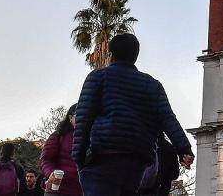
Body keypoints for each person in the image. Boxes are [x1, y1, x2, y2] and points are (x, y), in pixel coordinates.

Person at [72, 33, 194, 196]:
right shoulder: (153, 85)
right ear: (135, 56)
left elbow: (83, 118)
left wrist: (79, 158)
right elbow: (168, 118)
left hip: (103, 155)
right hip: (137, 160)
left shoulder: (99, 77)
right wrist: (184, 148)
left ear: (111, 55)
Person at [41, 104, 82, 195]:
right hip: (57, 191)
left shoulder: (91, 137)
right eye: (80, 114)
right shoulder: (59, 135)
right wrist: (51, 172)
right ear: (70, 117)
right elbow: (45, 159)